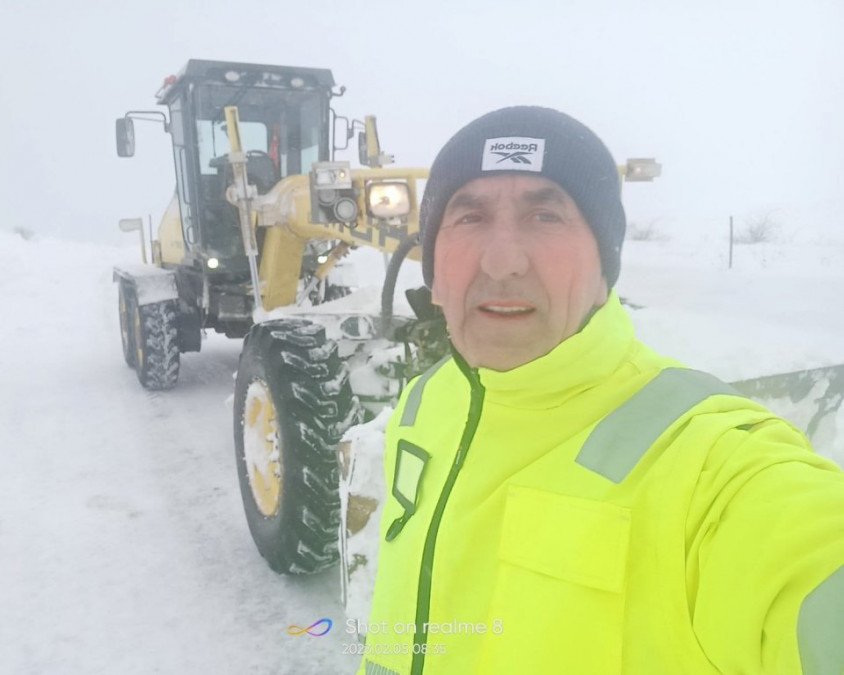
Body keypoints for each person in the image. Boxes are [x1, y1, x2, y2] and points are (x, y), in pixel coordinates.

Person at [357, 106, 844, 674]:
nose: (502, 261)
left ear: (604, 270)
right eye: (469, 217)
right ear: (434, 269)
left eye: (545, 215)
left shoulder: (711, 466)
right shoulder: (422, 403)